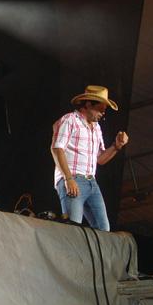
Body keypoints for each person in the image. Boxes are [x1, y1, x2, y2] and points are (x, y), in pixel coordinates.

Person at [50, 85, 129, 230]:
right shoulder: (70, 120)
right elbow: (56, 149)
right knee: (73, 228)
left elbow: (100, 159)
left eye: (104, 110)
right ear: (88, 104)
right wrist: (68, 179)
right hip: (73, 178)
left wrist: (116, 146)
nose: (103, 113)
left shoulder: (96, 128)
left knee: (103, 230)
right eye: (100, 109)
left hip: (92, 182)